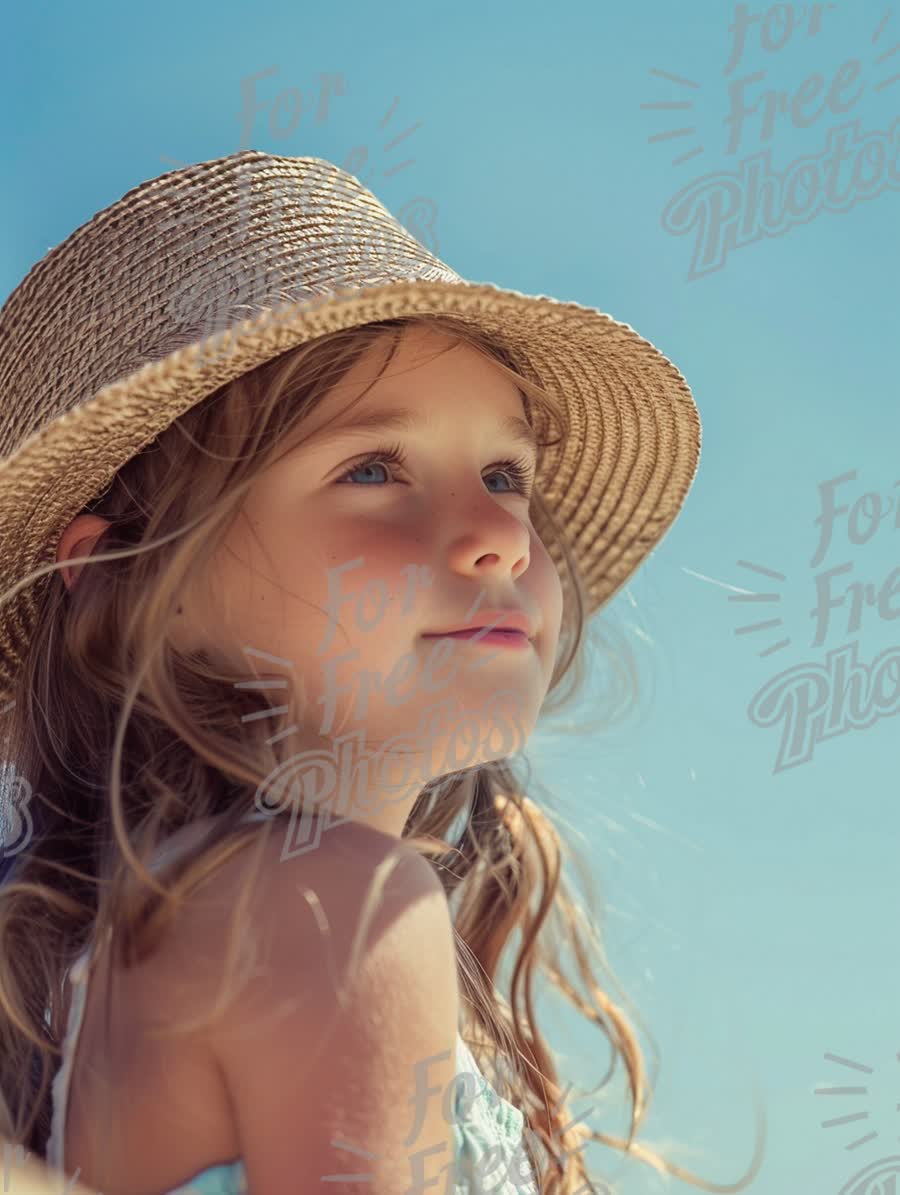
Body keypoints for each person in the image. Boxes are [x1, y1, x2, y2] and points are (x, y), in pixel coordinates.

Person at [0, 151, 765, 1194]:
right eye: (374, 470)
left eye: (506, 475)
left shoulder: (159, 941)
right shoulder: (334, 906)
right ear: (130, 585)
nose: (501, 534)